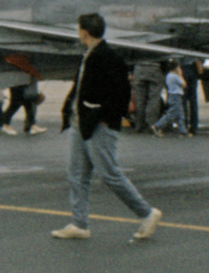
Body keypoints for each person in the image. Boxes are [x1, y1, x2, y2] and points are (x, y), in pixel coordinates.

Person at [53, 13, 161, 241]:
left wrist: (105, 117)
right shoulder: (90, 55)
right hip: (80, 122)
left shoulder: (108, 57)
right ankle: (79, 224)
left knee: (109, 173)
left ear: (84, 31)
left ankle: (147, 213)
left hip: (96, 125)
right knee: (76, 174)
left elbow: (122, 94)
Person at [150, 59, 188, 136]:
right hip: (176, 96)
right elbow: (184, 84)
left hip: (171, 95)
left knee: (180, 114)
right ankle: (157, 126)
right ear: (176, 68)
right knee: (171, 114)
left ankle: (183, 131)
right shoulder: (175, 77)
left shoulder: (168, 75)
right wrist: (180, 75)